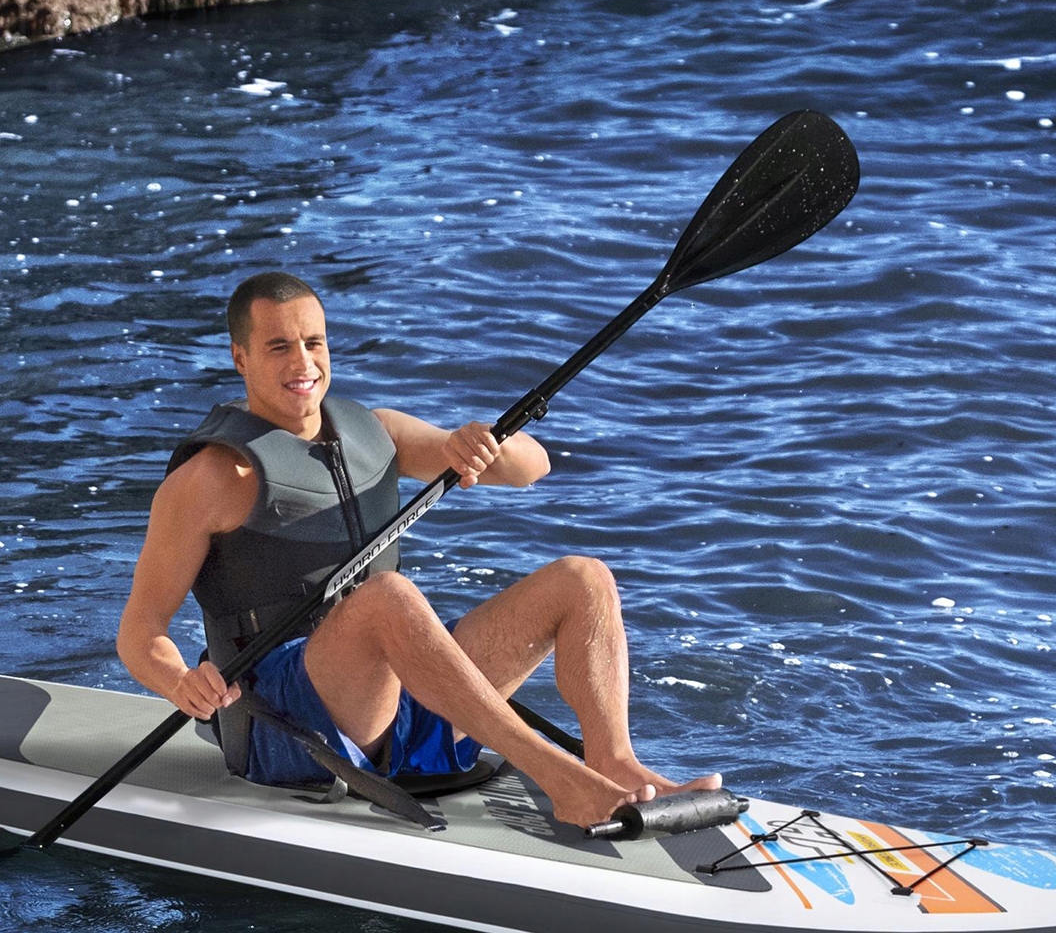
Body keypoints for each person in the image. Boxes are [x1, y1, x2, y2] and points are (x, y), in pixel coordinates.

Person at [114, 271, 719, 830]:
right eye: (278, 347)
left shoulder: (376, 433)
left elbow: (532, 468)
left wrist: (483, 444)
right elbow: (140, 633)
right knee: (389, 597)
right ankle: (562, 778)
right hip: (288, 723)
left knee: (583, 578)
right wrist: (180, 681)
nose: (303, 362)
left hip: (400, 696)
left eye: (314, 342)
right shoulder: (208, 481)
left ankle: (613, 762)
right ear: (239, 357)